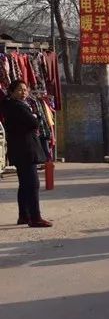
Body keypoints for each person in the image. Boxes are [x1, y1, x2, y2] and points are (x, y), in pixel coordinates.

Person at [1, 80, 51, 227]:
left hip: (20, 149)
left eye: (25, 89)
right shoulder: (17, 106)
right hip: (25, 149)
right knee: (33, 184)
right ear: (11, 92)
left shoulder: (11, 105)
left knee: (24, 184)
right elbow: (33, 123)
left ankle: (24, 215)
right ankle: (35, 217)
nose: (23, 92)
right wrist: (35, 117)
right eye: (20, 90)